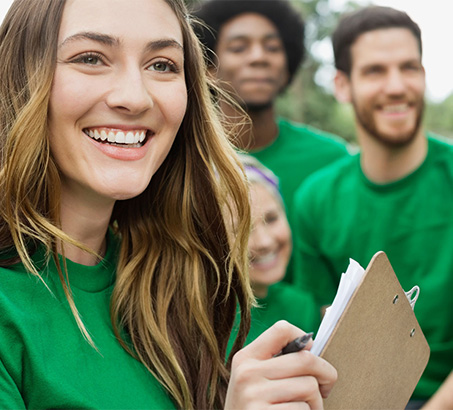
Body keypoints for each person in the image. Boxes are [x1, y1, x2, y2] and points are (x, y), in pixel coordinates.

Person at [0, 0, 337, 408]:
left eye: (162, 65)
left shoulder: (187, 281)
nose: (135, 97)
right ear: (18, 77)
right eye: (91, 58)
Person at [292, 5, 453, 404]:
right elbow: (322, 332)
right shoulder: (316, 199)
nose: (396, 86)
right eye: (375, 71)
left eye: (409, 68)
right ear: (343, 86)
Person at [192, 0, 350, 245]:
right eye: (238, 48)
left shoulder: (332, 160)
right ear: (208, 68)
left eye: (273, 48)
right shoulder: (185, 160)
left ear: (287, 68)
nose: (258, 57)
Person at [227, 155, 319, 355]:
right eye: (243, 231)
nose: (265, 242)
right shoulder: (205, 323)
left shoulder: (302, 306)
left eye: (271, 218)